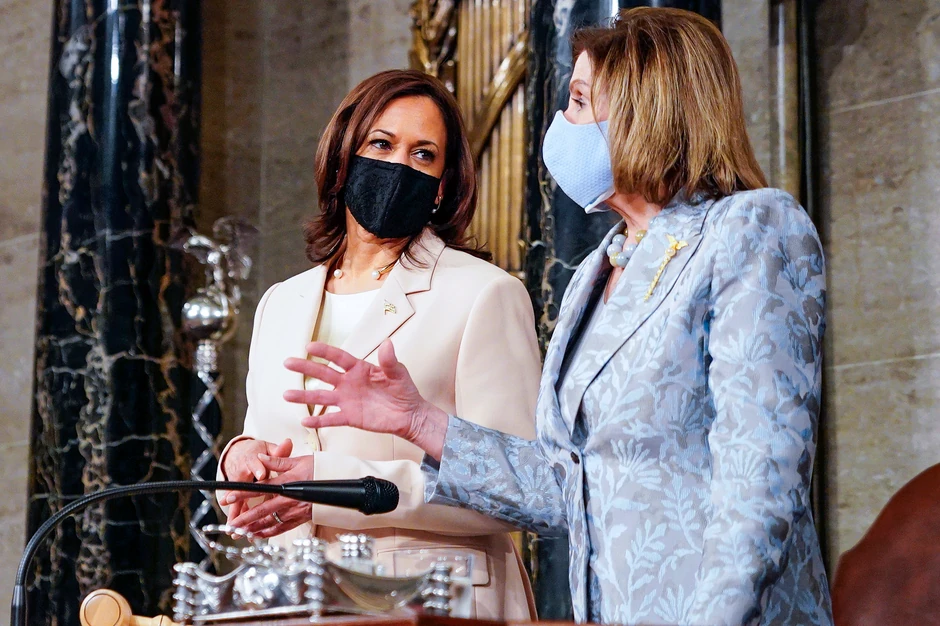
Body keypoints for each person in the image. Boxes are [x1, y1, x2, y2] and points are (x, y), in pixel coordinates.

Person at [282, 8, 833, 626]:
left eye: (577, 101)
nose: (560, 124)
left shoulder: (750, 228)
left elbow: (761, 481)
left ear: (644, 111)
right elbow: (565, 488)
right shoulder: (598, 268)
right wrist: (419, 421)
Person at [217, 69, 541, 620]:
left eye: (423, 155)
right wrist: (242, 461)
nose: (397, 166)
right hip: (296, 600)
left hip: (430, 602)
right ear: (343, 161)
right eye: (382, 145)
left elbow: (517, 488)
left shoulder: (485, 293)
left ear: (442, 186)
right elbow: (275, 441)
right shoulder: (281, 302)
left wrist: (330, 486)